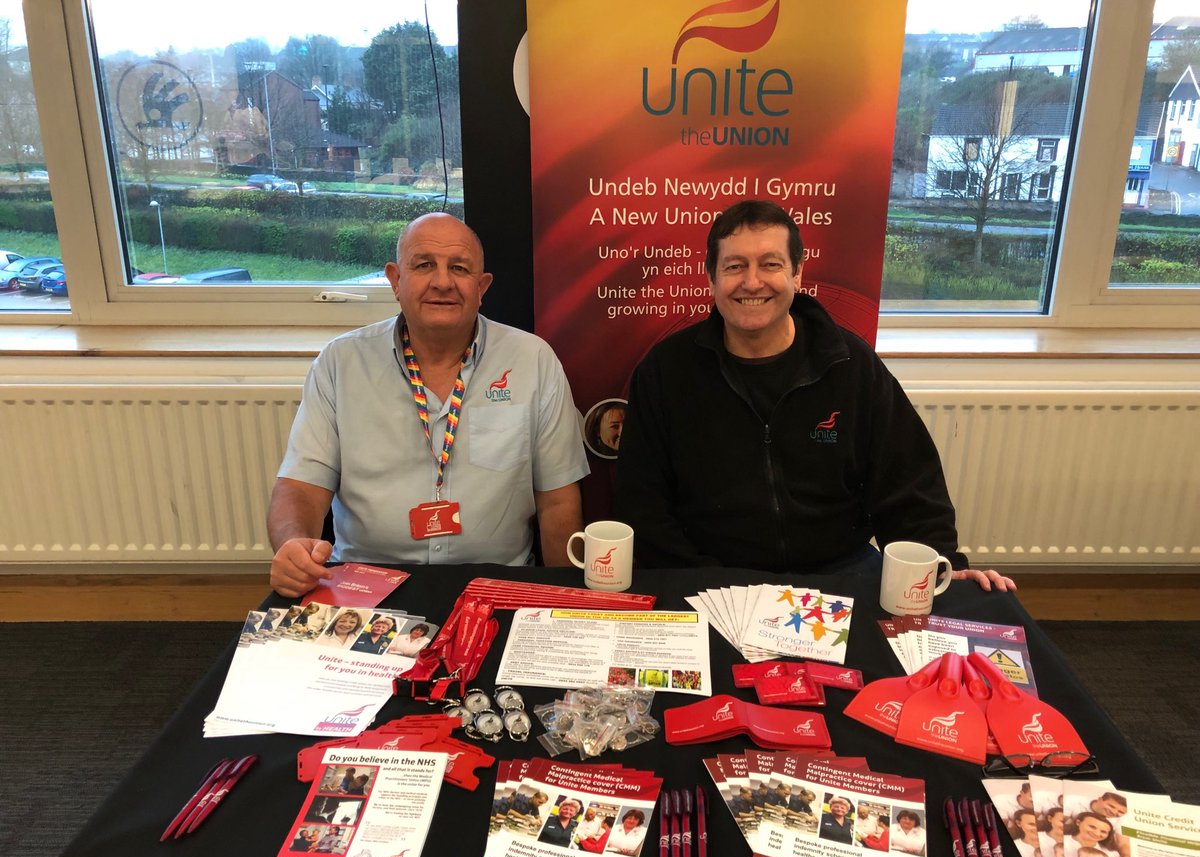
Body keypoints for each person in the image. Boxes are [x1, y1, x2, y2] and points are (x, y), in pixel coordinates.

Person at [613, 199, 1014, 591]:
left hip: (839, 572)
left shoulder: (851, 364)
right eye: (734, 266)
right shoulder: (665, 371)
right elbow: (642, 505)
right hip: (713, 578)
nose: (752, 282)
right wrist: (706, 584)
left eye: (770, 264)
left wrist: (941, 564)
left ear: (797, 273)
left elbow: (908, 482)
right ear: (711, 278)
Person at [269, 213, 589, 597]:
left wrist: (566, 602)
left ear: (482, 287)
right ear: (395, 280)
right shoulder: (340, 364)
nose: (442, 282)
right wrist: (293, 544)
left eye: (459, 268)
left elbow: (557, 501)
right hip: (363, 586)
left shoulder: (533, 361)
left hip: (495, 586)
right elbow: (301, 487)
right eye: (423, 265)